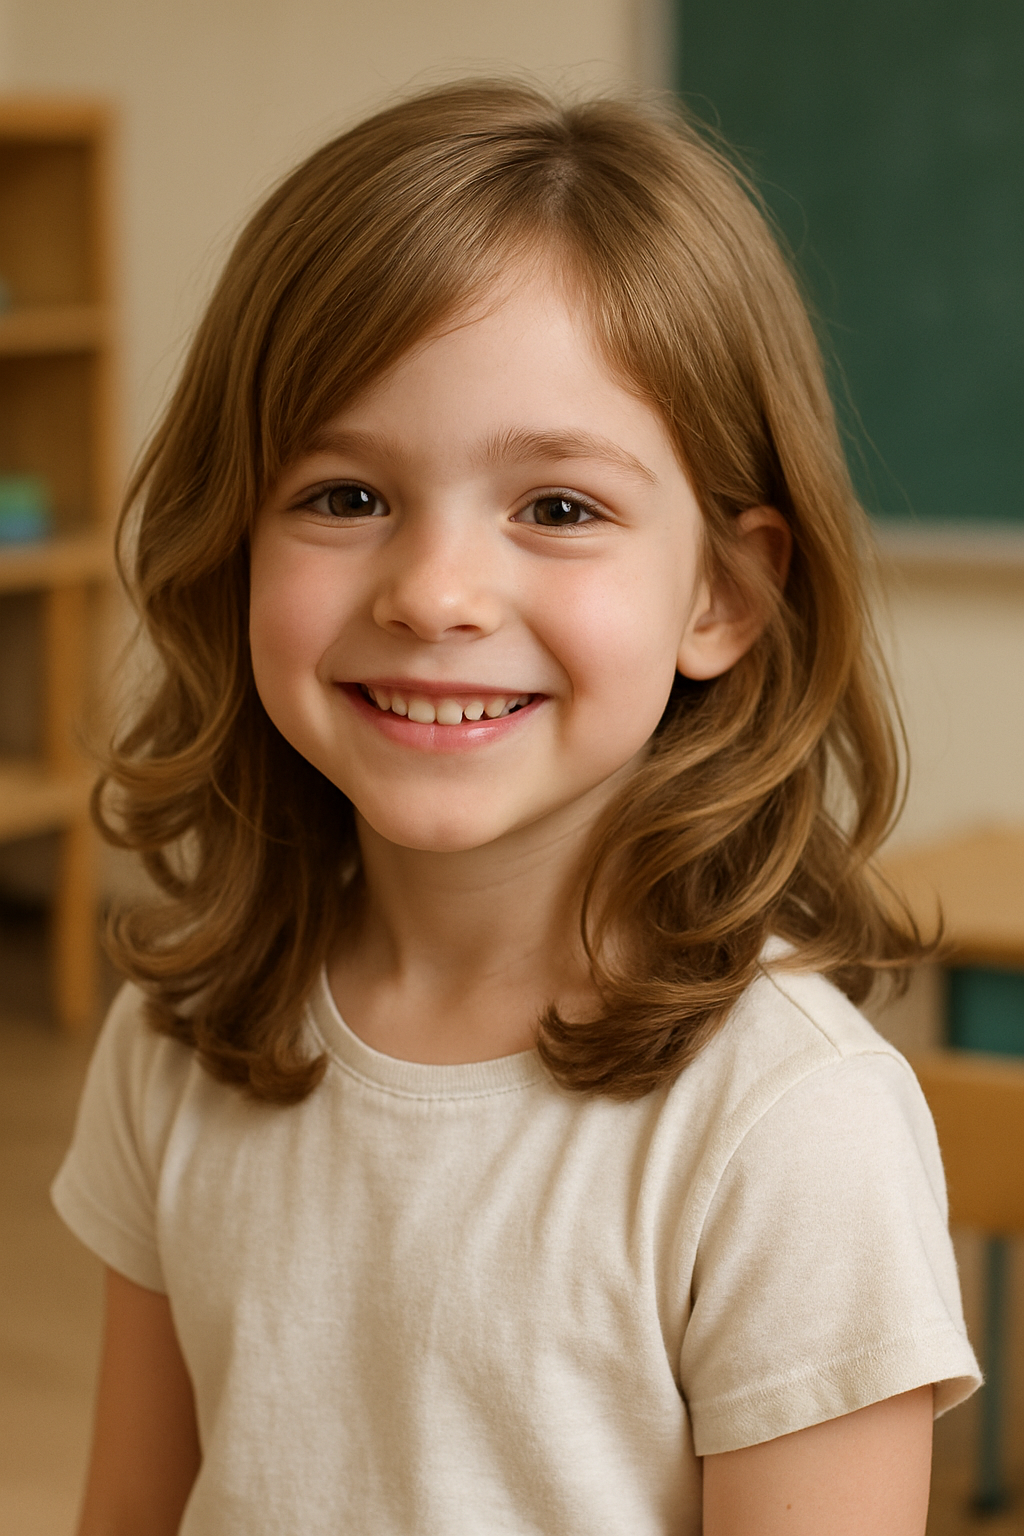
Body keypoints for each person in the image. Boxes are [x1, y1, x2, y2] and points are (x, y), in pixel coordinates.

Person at [54, 79, 979, 1535]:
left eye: (556, 508)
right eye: (346, 495)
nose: (432, 593)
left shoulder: (793, 1129)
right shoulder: (178, 1035)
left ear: (724, 594)